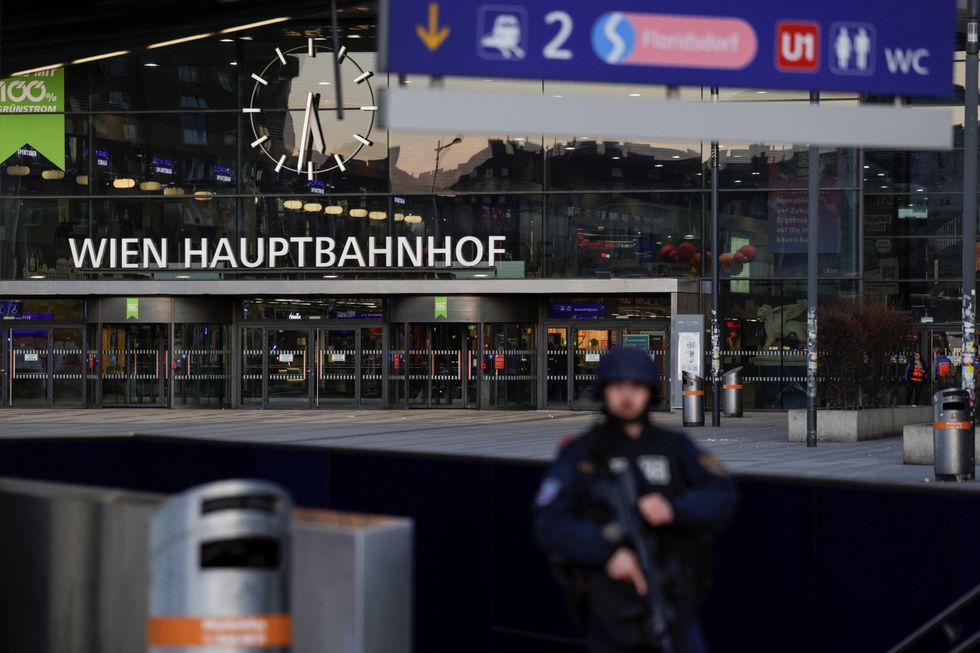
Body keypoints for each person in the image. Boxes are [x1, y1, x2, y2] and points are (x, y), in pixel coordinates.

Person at [533, 347, 738, 653]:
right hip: (609, 606)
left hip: (672, 599)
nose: (627, 396)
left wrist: (673, 509)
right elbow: (549, 522)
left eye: (636, 387)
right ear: (605, 391)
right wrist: (607, 552)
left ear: (649, 392)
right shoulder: (582, 453)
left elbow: (722, 494)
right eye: (618, 387)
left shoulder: (675, 447)